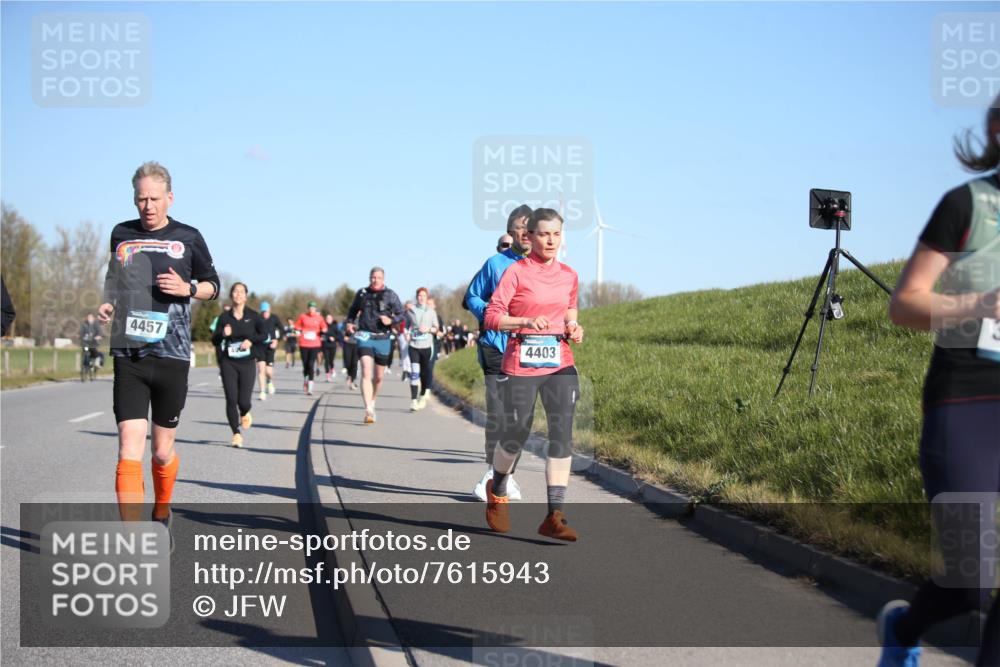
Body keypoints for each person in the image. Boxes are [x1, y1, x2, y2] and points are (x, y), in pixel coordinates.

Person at [878, 98, 1000, 667]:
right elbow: (905, 304)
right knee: (969, 579)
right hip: (967, 402)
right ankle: (904, 628)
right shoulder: (968, 205)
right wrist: (980, 304)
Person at [98, 161, 219, 528]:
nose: (147, 206)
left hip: (172, 355)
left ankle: (162, 509)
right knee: (128, 445)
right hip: (129, 352)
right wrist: (107, 302)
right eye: (140, 199)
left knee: (162, 451)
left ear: (169, 198)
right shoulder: (121, 234)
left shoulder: (189, 237)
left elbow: (214, 285)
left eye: (153, 198)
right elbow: (114, 278)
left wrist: (189, 289)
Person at [483, 207, 584, 541]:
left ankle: (554, 515)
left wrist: (573, 326)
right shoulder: (516, 272)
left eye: (557, 234)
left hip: (559, 360)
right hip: (522, 360)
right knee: (517, 432)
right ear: (530, 237)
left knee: (562, 432)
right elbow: (493, 317)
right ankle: (497, 490)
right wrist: (525, 322)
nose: (551, 240)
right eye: (544, 233)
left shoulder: (570, 274)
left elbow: (570, 308)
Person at [464, 204, 533, 501]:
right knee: (499, 415)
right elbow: (471, 297)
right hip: (495, 346)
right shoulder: (495, 263)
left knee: (521, 420)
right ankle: (492, 477)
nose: (527, 232)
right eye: (521, 227)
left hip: (526, 351)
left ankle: (505, 478)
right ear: (511, 232)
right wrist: (492, 314)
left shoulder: (542, 267)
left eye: (532, 227)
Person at [345, 266, 404, 424]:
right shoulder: (362, 293)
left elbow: (401, 314)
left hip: (383, 337)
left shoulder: (390, 295)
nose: (375, 280)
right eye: (373, 277)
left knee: (378, 377)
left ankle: (373, 400)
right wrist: (350, 323)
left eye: (378, 277)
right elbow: (352, 311)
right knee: (365, 371)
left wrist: (391, 320)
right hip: (365, 335)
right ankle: (368, 410)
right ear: (369, 278)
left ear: (383, 279)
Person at [213, 283, 265, 447]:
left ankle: (245, 412)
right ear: (231, 295)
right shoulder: (224, 318)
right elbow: (214, 340)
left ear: (246, 296)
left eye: (241, 292)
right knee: (231, 399)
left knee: (244, 401)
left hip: (247, 362)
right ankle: (236, 433)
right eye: (235, 291)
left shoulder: (254, 316)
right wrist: (222, 334)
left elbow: (264, 334)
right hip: (229, 362)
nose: (238, 294)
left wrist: (251, 340)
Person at [406, 288, 439, 411]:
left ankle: (422, 395)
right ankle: (413, 401)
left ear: (426, 297)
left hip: (427, 346)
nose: (421, 298)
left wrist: (428, 330)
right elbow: (405, 325)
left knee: (425, 373)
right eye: (419, 295)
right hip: (414, 346)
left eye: (423, 296)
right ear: (417, 297)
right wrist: (407, 333)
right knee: (415, 373)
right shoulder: (410, 311)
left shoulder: (431, 312)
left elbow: (436, 329)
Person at [295, 301, 327, 395]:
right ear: (308, 308)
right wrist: (301, 330)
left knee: (311, 363)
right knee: (305, 364)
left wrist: (324, 330)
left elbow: (324, 327)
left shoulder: (319, 318)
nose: (311, 310)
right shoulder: (303, 316)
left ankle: (310, 386)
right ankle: (305, 380)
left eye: (313, 308)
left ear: (315, 309)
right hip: (304, 343)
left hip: (315, 343)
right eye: (310, 308)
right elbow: (296, 327)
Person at [254, 301, 283, 400]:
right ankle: (262, 392)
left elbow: (282, 330)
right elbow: (252, 332)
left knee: (268, 371)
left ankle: (269, 381)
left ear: (269, 310)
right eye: (263, 312)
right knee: (261, 369)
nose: (264, 313)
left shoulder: (274, 318)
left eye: (266, 311)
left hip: (270, 347)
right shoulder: (257, 319)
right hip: (259, 347)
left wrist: (276, 340)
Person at [341, 319, 359, 390]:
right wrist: (344, 334)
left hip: (357, 343)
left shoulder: (361, 320)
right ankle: (349, 375)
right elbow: (341, 330)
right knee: (348, 362)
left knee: (354, 363)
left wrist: (354, 328)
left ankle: (352, 381)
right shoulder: (346, 320)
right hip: (347, 343)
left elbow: (363, 331)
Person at [321, 313, 339, 382]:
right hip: (325, 345)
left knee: (331, 360)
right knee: (326, 360)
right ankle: (327, 376)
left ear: (332, 319)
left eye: (329, 318)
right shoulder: (323, 326)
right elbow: (321, 335)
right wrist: (327, 337)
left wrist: (334, 338)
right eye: (327, 318)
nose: (328, 319)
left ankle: (332, 368)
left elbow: (339, 335)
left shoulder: (335, 326)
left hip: (333, 345)